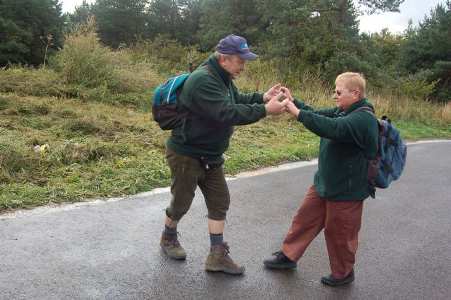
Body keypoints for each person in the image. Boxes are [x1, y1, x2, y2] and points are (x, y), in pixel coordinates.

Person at [160, 34, 289, 275]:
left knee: (220, 202)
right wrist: (265, 110)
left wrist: (263, 98)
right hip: (187, 154)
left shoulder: (223, 77)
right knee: (181, 203)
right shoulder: (203, 80)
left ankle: (216, 256)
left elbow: (235, 100)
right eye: (241, 61)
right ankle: (168, 237)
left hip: (211, 155)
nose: (243, 66)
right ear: (224, 59)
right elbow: (227, 112)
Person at [264, 72, 379, 286]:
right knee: (304, 219)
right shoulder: (343, 110)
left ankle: (343, 273)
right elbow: (318, 115)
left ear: (355, 93)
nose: (334, 96)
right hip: (325, 182)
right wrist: (294, 101)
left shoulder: (363, 119)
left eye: (338, 92)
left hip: (347, 189)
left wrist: (296, 112)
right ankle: (288, 257)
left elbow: (330, 128)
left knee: (340, 233)